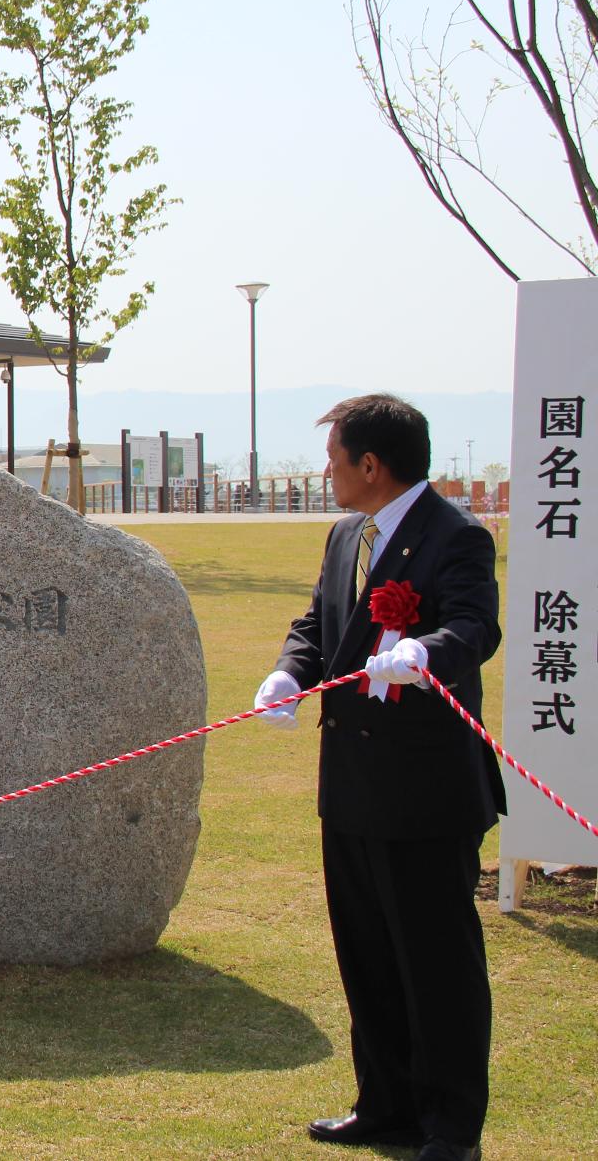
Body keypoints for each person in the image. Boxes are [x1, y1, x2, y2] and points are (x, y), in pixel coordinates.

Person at [253, 394, 502, 1161]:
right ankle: (385, 1104)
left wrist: (426, 654)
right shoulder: (345, 534)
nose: (326, 471)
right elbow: (319, 623)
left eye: (334, 459)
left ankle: (450, 1126)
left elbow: (473, 625)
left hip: (425, 791)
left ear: (371, 465)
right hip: (354, 787)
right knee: (367, 953)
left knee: (436, 963)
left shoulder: (454, 535)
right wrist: (287, 673)